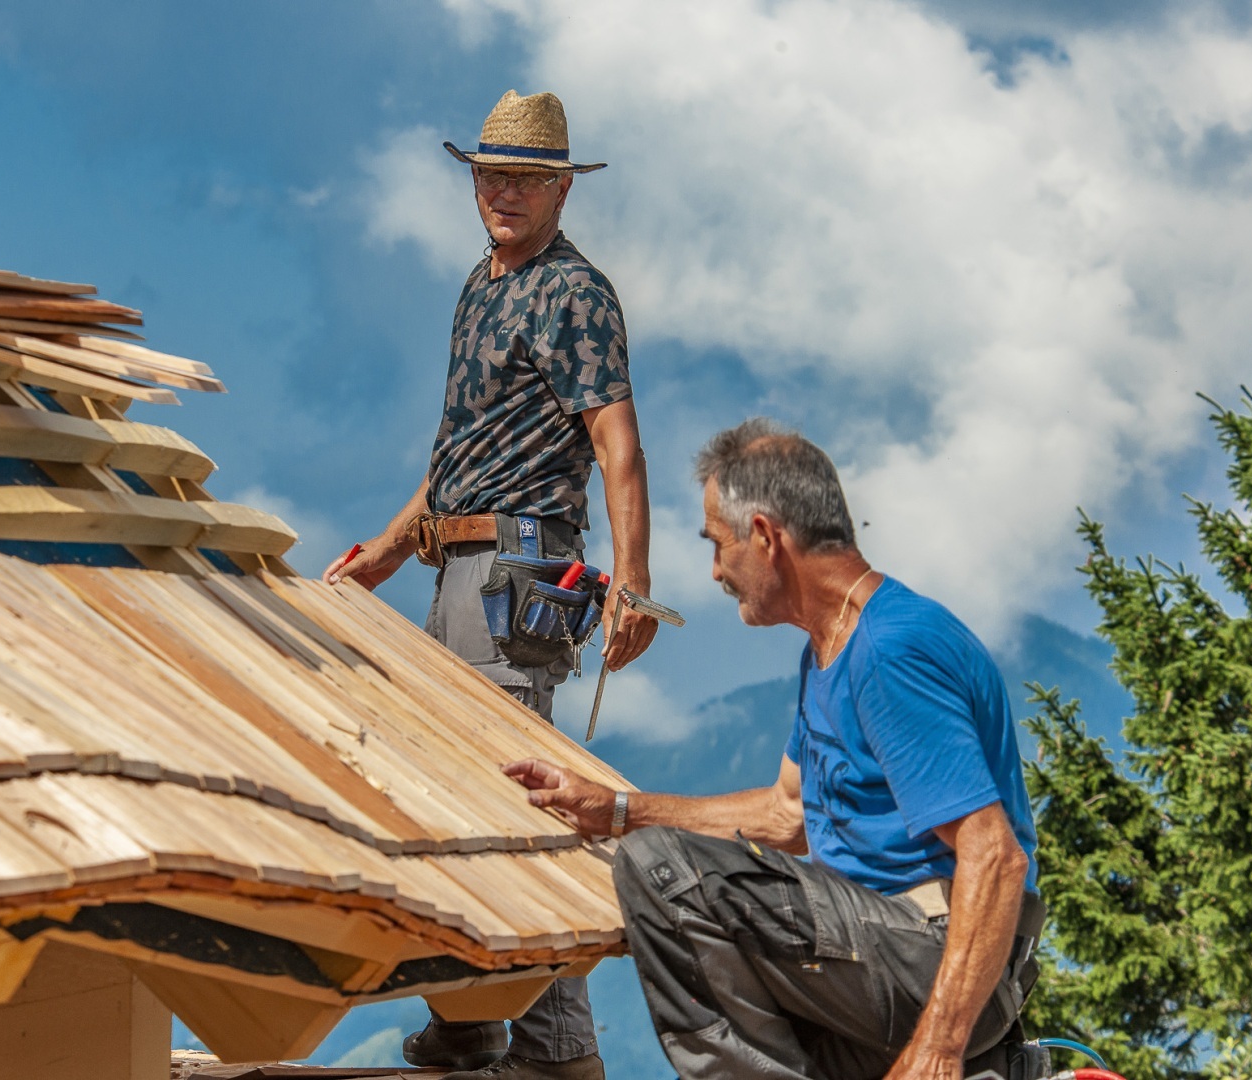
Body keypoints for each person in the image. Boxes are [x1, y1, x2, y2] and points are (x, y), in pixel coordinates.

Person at [502, 419, 1044, 1080]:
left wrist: (938, 1050)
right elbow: (787, 815)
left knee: (661, 870)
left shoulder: (889, 652)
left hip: (928, 960)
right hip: (877, 961)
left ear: (764, 536)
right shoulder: (830, 649)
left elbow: (995, 856)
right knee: (663, 864)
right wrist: (615, 809)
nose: (714, 570)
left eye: (717, 544)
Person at [322, 90, 659, 1080]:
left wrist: (630, 584)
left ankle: (546, 1052)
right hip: (454, 560)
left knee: (505, 806)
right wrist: (390, 545)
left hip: (519, 564)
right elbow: (461, 449)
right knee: (455, 798)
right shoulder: (482, 285)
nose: (502, 192)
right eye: (488, 174)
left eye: (524, 178)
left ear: (562, 186)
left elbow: (618, 447)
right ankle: (472, 1023)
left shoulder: (575, 294)